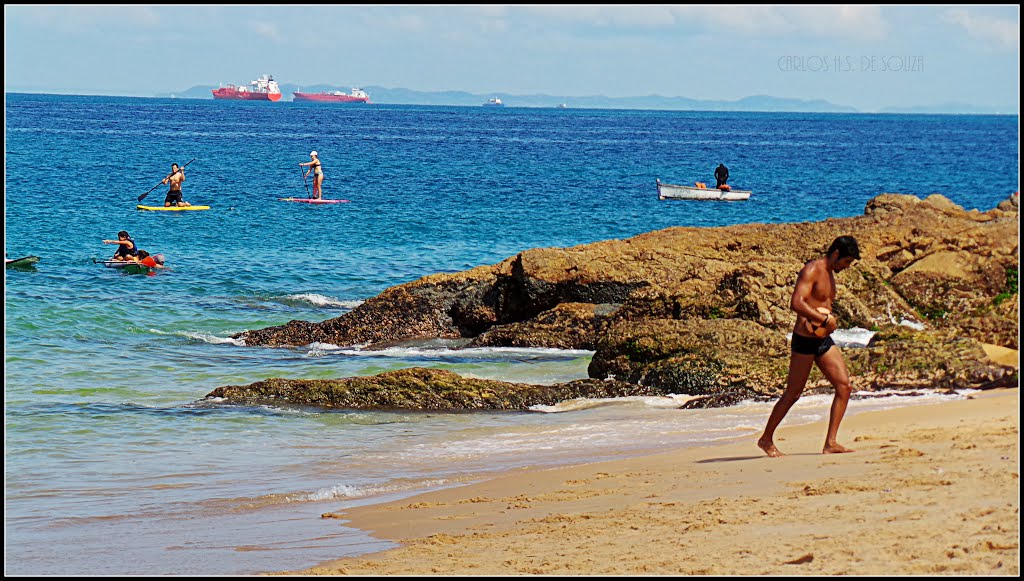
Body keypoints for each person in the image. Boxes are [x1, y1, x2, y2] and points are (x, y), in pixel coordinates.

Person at [758, 235, 861, 457]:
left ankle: (830, 443)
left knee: (844, 386)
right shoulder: (812, 270)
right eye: (846, 262)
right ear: (835, 254)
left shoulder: (831, 274)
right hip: (805, 340)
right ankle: (766, 439)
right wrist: (823, 320)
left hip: (822, 340)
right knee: (793, 393)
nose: (846, 267)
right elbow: (796, 302)